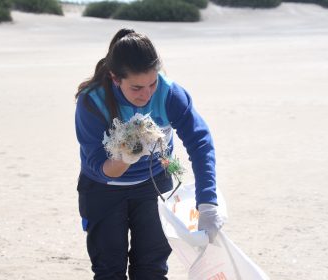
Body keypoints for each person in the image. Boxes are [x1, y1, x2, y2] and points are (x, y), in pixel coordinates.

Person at [74, 28, 223, 280]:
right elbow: (98, 164)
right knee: (109, 270)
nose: (146, 94)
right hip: (103, 188)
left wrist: (207, 201)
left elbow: (200, 141)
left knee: (151, 269)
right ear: (115, 78)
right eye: (136, 88)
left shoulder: (168, 94)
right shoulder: (92, 102)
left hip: (155, 185)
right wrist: (125, 157)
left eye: (152, 83)